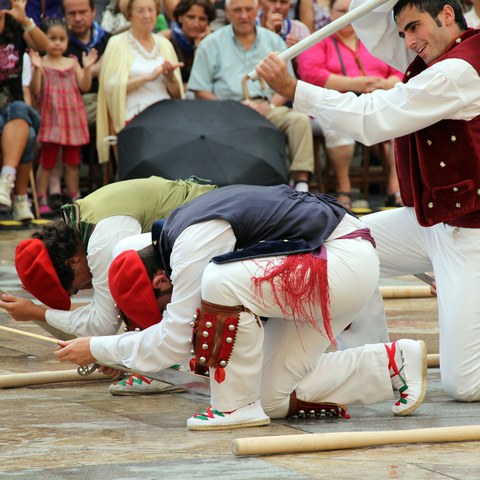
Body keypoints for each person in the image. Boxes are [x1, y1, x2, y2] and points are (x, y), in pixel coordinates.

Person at [53, 185, 427, 430]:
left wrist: (98, 347)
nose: (170, 311)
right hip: (331, 266)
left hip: (339, 261)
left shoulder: (189, 246)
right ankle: (392, 363)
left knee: (218, 282)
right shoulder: (175, 240)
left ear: (160, 282)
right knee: (269, 397)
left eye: (163, 306)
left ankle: (233, 408)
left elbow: (174, 340)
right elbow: (181, 338)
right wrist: (121, 355)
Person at [255, 0, 480, 401]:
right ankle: (376, 358)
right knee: (344, 243)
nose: (409, 41)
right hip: (432, 223)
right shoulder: (438, 51)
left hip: (468, 233)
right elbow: (370, 19)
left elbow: (372, 119)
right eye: (404, 32)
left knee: (464, 384)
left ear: (448, 15)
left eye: (415, 27)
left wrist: (294, 91)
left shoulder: (460, 69)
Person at [187, 0, 315, 192]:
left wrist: (269, 106)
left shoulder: (273, 41)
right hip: (225, 110)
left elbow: (286, 85)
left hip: (266, 108)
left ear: (257, 11)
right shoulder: (211, 43)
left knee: (299, 119)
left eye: (248, 9)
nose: (244, 15)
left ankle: (301, 184)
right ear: (227, 13)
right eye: (237, 10)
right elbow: (199, 89)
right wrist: (232, 108)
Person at [296, 0, 403, 209]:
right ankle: (343, 188)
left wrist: (387, 83)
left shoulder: (373, 38)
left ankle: (395, 188)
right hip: (333, 103)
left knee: (399, 121)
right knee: (340, 123)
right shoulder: (319, 38)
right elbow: (311, 74)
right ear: (330, 13)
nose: (346, 16)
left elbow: (400, 67)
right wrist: (355, 84)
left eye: (350, 11)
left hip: (378, 98)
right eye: (341, 11)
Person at [96, 0, 184, 165]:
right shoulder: (117, 44)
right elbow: (110, 88)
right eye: (140, 11)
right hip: (133, 115)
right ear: (129, 14)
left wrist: (171, 78)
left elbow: (177, 95)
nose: (147, 16)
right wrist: (147, 77)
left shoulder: (164, 44)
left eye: (151, 10)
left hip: (166, 114)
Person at [29, 18, 98, 215]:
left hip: (72, 120)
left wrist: (87, 68)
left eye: (62, 39)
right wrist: (36, 69)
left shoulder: (72, 62)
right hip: (51, 120)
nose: (57, 43)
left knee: (72, 162)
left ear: (67, 41)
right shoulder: (41, 63)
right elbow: (36, 90)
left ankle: (75, 197)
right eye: (52, 38)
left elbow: (84, 86)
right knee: (47, 161)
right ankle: (41, 198)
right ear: (43, 39)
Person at [0, 0, 48, 221]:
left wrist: (25, 20)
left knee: (20, 110)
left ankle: (6, 180)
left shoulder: (15, 27)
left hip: (14, 107)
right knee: (27, 133)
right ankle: (19, 197)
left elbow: (44, 45)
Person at [170, 0, 216, 88]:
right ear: (180, 17)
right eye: (191, 17)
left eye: (202, 19)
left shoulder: (215, 42)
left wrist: (200, 47)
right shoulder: (168, 41)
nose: (196, 24)